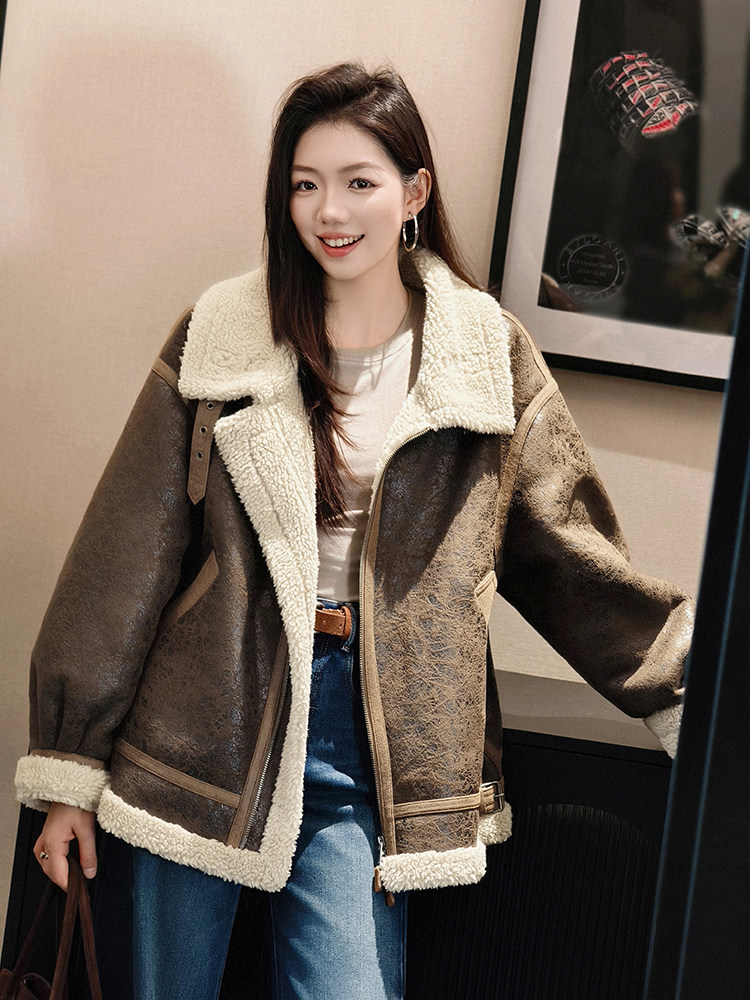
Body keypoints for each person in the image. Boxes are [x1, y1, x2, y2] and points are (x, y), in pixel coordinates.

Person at [15, 63, 691, 1000]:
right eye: (305, 183)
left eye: (358, 181)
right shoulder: (223, 333)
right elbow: (125, 554)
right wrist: (68, 768)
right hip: (203, 727)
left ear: (414, 193)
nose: (329, 211)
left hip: (371, 738)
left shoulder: (482, 354)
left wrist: (691, 690)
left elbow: (572, 558)